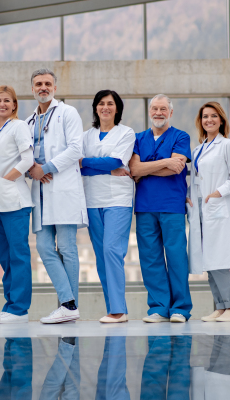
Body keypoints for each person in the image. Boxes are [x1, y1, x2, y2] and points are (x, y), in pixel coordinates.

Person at [25, 68, 88, 324]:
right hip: (40, 190)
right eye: (38, 83)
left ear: (55, 87)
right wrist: (32, 170)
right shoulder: (29, 121)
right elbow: (25, 153)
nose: (43, 87)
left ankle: (68, 305)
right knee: (42, 246)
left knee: (67, 248)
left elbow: (76, 148)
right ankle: (68, 303)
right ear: (32, 89)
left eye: (47, 83)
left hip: (62, 186)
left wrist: (46, 168)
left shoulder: (67, 113)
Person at [129, 94, 193, 323]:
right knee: (150, 258)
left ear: (171, 112)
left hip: (171, 206)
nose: (158, 112)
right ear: (149, 112)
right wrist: (165, 162)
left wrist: (145, 168)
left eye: (163, 108)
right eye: (155, 108)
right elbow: (133, 168)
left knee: (176, 256)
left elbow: (176, 169)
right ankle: (158, 308)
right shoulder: (138, 138)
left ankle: (180, 309)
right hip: (145, 207)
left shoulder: (180, 136)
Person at [187, 102, 230, 322]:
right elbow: (195, 179)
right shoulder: (198, 149)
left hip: (216, 206)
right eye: (204, 117)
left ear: (221, 120)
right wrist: (190, 197)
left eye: (213, 116)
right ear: (200, 121)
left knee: (219, 260)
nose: (208, 120)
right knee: (208, 259)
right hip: (200, 207)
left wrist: (218, 194)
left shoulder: (228, 145)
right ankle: (220, 307)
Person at [80, 90, 135, 324]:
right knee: (102, 256)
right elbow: (78, 166)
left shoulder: (126, 133)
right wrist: (101, 165)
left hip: (118, 200)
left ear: (117, 108)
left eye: (110, 104)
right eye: (101, 103)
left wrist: (90, 163)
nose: (105, 107)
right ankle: (112, 308)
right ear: (95, 108)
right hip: (92, 201)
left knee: (113, 250)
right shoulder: (85, 136)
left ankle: (119, 310)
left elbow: (115, 162)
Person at [0, 86, 34, 324]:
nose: (1, 104)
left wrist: (6, 178)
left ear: (14, 105)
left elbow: (28, 159)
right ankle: (10, 305)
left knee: (18, 256)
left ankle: (19, 309)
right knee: (5, 258)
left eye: (7, 101)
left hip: (14, 203)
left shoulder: (18, 126)